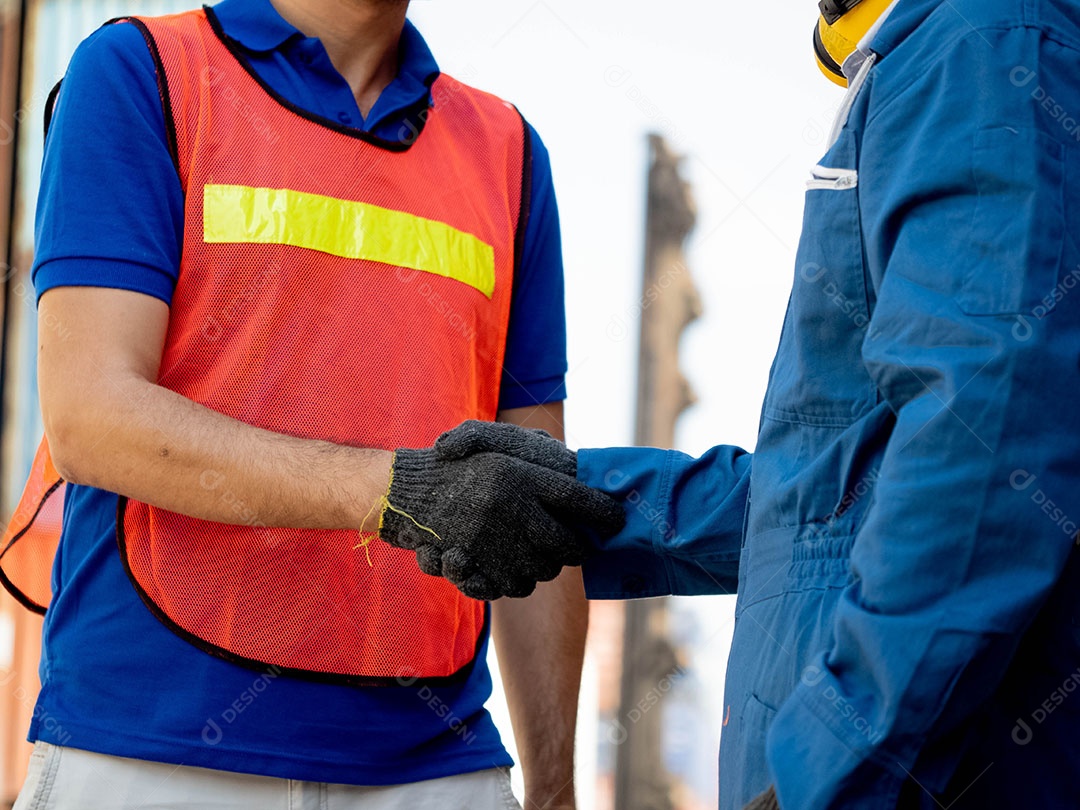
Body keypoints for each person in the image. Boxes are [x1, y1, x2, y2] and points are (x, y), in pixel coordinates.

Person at [430, 0, 1080, 807]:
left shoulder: (982, 45)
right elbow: (838, 491)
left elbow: (986, 464)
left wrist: (830, 780)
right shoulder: (930, 55)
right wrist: (581, 506)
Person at [3, 0, 622, 807]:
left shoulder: (504, 150)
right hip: (154, 752)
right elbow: (93, 417)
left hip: (435, 766)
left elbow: (534, 506)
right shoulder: (142, 72)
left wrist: (554, 791)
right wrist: (404, 493)